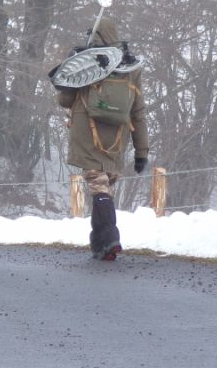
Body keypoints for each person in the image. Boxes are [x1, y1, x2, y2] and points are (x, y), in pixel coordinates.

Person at [55, 17, 148, 261]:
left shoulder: (86, 62)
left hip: (88, 132)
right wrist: (142, 151)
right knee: (103, 187)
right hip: (117, 136)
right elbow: (137, 111)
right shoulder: (131, 67)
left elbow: (65, 100)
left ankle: (110, 239)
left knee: (98, 187)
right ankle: (99, 244)